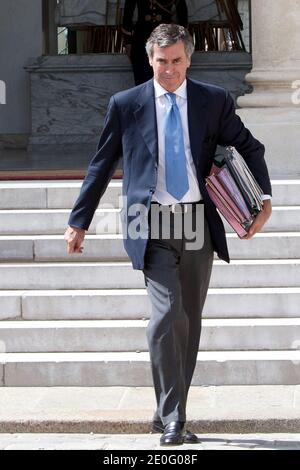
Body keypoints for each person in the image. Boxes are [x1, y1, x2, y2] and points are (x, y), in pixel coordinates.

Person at [64, 23, 272, 446]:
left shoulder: (213, 101)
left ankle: (167, 412)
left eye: (177, 61)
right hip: (151, 221)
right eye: (162, 62)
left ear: (189, 59)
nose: (170, 70)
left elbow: (251, 148)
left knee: (189, 321)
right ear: (149, 60)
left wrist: (262, 200)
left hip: (197, 220)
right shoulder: (127, 104)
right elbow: (101, 164)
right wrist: (79, 219)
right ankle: (175, 419)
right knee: (165, 315)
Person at [122, 0, 188, 84]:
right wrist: (128, 43)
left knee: (167, 79)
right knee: (142, 80)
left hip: (167, 39)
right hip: (141, 39)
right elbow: (127, 16)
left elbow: (183, 16)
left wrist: (182, 41)